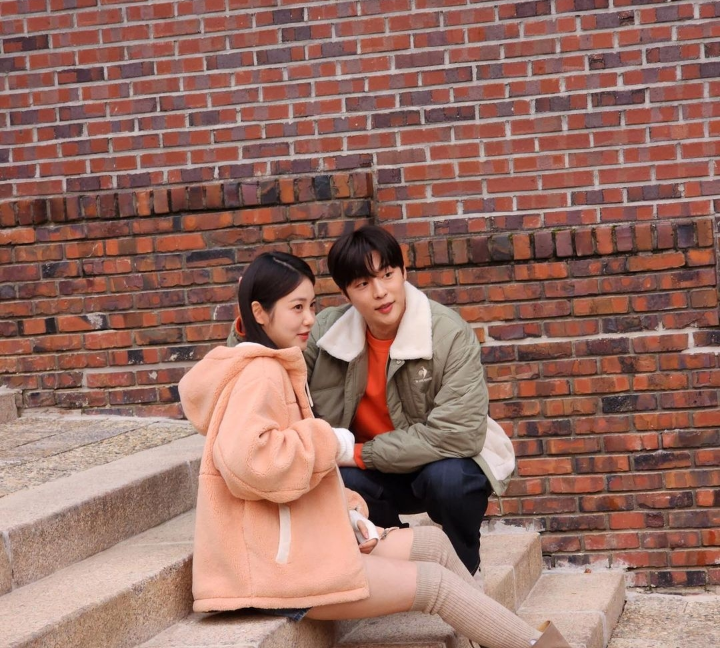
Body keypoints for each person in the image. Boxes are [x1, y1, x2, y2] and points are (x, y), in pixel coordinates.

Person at [183, 251, 571, 648]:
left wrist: (347, 510)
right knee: (434, 584)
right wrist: (329, 440)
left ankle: (505, 640)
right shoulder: (260, 373)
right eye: (297, 308)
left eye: (312, 305)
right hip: (278, 569)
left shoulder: (279, 364)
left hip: (304, 542)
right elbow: (251, 462)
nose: (310, 319)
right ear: (259, 313)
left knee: (435, 545)